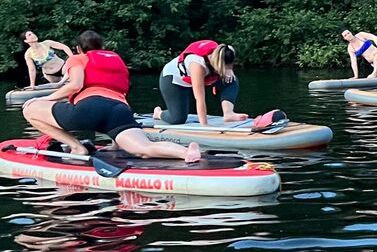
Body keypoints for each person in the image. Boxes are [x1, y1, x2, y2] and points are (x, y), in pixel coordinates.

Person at [22, 30, 200, 162]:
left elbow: (75, 85)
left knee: (29, 109)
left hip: (89, 108)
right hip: (119, 110)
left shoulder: (78, 58)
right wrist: (116, 143)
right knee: (144, 148)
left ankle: (77, 148)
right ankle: (185, 152)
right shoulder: (116, 58)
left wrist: (43, 98)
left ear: (78, 49)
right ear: (102, 46)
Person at [153, 40, 247, 126]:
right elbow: (199, 99)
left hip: (204, 74)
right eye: (222, 68)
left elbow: (229, 54)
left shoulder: (227, 50)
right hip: (173, 79)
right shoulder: (198, 65)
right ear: (217, 64)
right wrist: (205, 125)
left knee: (231, 79)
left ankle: (228, 114)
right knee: (177, 119)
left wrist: (229, 70)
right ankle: (158, 113)